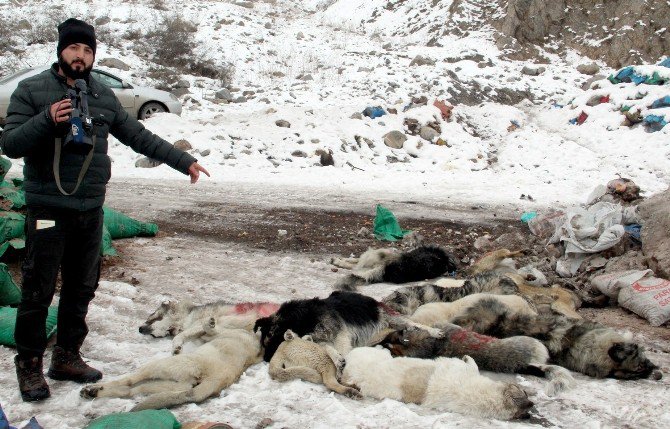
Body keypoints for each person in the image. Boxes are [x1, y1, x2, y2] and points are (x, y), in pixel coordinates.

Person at [0, 18, 210, 402]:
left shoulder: (101, 96)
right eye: (74, 48)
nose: (80, 56)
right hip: (47, 208)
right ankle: (29, 365)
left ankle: (66, 356)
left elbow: (137, 135)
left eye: (87, 50)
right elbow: (11, 143)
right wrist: (47, 120)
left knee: (82, 288)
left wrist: (182, 160)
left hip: (89, 210)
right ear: (60, 50)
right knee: (38, 291)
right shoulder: (32, 91)